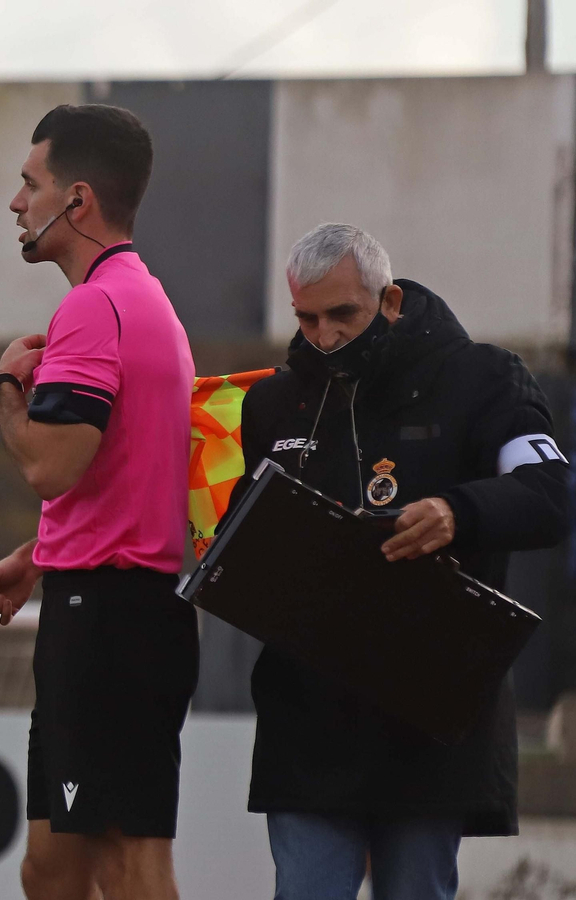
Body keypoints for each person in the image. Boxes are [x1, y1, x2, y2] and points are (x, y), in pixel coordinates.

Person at [234, 223, 571, 900]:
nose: (323, 336)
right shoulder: (273, 401)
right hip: (311, 718)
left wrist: (457, 512)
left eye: (342, 315)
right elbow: (247, 534)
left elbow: (550, 494)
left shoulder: (484, 380)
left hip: (431, 714)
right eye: (306, 318)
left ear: (388, 301)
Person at [0, 104, 197, 899]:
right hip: (108, 606)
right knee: (52, 869)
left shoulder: (93, 307)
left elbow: (51, 466)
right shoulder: (145, 298)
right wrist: (36, 560)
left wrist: (3, 391)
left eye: (30, 184)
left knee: (130, 863)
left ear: (78, 200)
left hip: (112, 620)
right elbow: (123, 479)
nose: (15, 203)